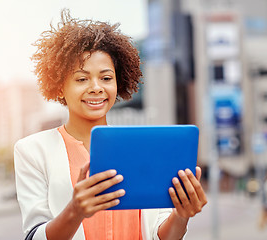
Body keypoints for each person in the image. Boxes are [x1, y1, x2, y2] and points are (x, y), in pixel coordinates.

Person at [14, 9, 207, 240]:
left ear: (119, 82)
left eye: (106, 78)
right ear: (59, 86)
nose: (96, 87)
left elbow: (162, 235)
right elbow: (35, 235)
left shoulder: (143, 148)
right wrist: (75, 211)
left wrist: (181, 215)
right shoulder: (32, 151)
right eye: (82, 79)